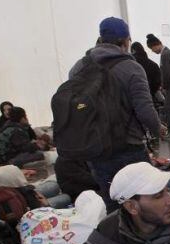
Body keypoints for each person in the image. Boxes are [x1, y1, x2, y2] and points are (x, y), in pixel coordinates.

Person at [68, 17, 162, 211]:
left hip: (95, 148)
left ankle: (117, 236)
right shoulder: (132, 68)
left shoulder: (79, 67)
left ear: (101, 38)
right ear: (126, 40)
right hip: (129, 146)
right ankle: (143, 239)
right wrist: (159, 128)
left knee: (112, 199)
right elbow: (145, 110)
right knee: (145, 197)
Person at [146, 34, 170, 158]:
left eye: (152, 49)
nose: (153, 51)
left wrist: (163, 85)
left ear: (157, 45)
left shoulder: (165, 54)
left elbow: (166, 73)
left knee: (168, 107)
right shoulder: (166, 53)